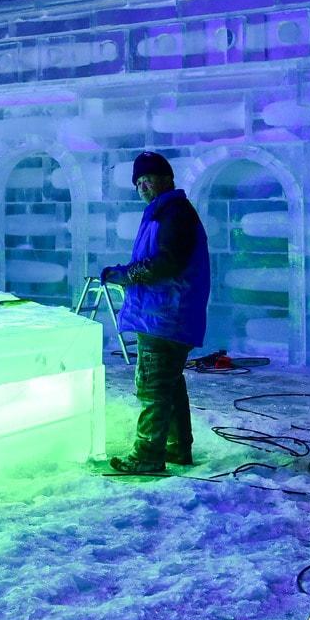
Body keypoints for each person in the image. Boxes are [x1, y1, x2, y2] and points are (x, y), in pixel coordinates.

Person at [99, 151, 210, 476]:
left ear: (166, 178)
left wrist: (127, 274)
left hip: (165, 315)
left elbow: (167, 262)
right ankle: (177, 447)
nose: (143, 185)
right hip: (166, 314)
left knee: (152, 386)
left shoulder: (172, 213)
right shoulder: (164, 212)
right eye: (138, 182)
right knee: (169, 384)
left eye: (149, 178)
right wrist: (126, 272)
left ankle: (148, 454)